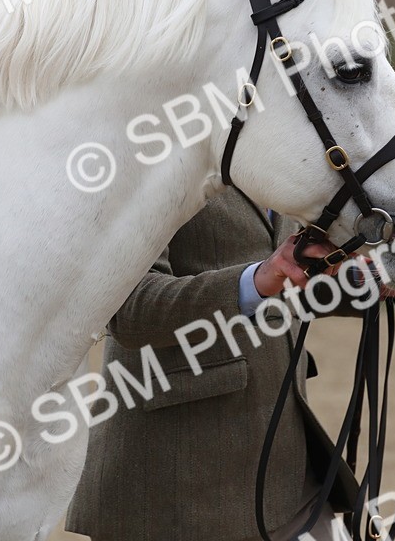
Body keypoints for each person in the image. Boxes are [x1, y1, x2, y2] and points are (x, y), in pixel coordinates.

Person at [65, 188, 360, 541]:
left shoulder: (275, 155)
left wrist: (367, 279)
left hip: (291, 469)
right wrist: (255, 279)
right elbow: (132, 312)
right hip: (180, 490)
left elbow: (290, 280)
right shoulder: (142, 161)